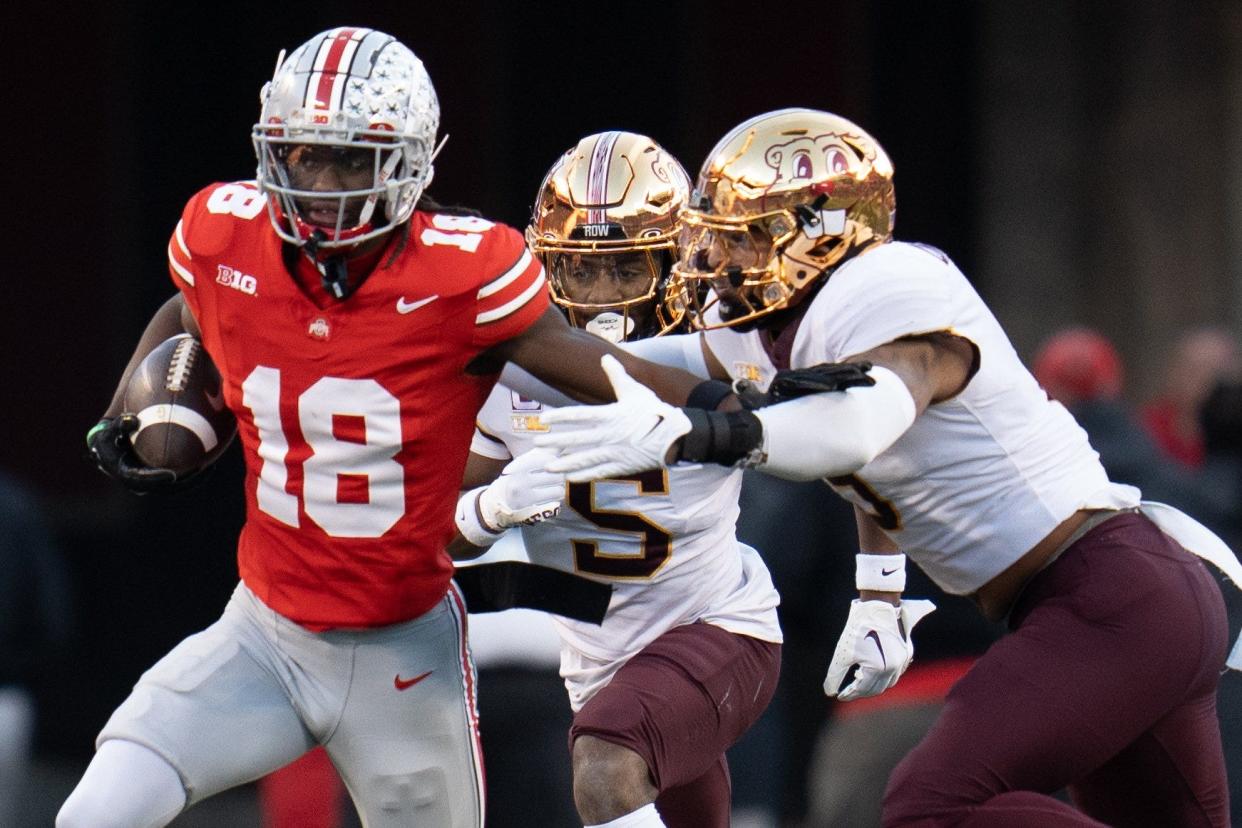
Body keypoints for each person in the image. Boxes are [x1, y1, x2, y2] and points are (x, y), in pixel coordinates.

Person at [59, 28, 709, 828]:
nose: (322, 182)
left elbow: (589, 362)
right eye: (303, 154)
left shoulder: (461, 273)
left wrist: (730, 409)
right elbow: (189, 306)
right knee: (97, 811)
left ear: (408, 163)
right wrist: (133, 402)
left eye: (351, 158)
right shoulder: (228, 237)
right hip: (263, 633)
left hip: (403, 657)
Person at [532, 108, 1237, 827]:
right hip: (1130, 599)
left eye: (742, 239)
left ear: (819, 229)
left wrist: (700, 433)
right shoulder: (787, 326)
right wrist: (504, 347)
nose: (717, 263)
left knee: (927, 807)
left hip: (1109, 596)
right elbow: (642, 368)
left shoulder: (888, 284)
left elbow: (858, 426)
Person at [451, 132, 782, 828]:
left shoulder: (717, 350)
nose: (602, 297)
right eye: (579, 271)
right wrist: (491, 508)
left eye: (627, 269)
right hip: (601, 665)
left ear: (676, 264)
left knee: (605, 767)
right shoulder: (509, 376)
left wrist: (880, 586)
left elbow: (839, 443)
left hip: (718, 628)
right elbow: (435, 534)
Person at [1140, 326, 1241, 468]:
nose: (1187, 378)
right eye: (1184, 367)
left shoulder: (1232, 435)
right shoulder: (1145, 428)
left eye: (1205, 369)